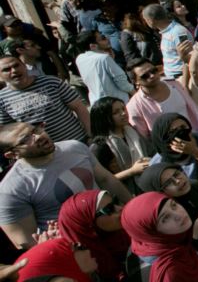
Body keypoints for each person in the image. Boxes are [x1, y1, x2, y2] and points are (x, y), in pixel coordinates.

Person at [0, 122, 131, 249]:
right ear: (12, 154)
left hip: (116, 228)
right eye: (26, 139)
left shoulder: (74, 147)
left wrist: (132, 207)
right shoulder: (11, 189)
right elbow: (26, 241)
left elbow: (106, 179)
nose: (38, 136)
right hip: (78, 250)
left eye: (35, 130)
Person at [120, 192, 198, 282]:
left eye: (174, 205)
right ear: (151, 232)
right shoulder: (170, 272)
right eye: (165, 218)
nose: (178, 215)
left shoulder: (168, 243)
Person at [0, 53, 88, 143]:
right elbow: (7, 130)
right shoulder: (2, 98)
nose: (14, 70)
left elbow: (79, 107)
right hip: (43, 151)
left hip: (77, 141)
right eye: (6, 70)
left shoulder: (51, 82)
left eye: (16, 65)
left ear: (24, 66)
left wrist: (90, 135)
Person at [126, 57, 198, 138]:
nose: (152, 75)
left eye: (154, 71)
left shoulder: (174, 84)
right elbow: (144, 138)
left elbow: (196, 112)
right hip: (170, 150)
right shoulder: (134, 106)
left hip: (197, 137)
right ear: (135, 82)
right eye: (145, 76)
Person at [57, 189, 131, 282]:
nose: (119, 208)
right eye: (109, 209)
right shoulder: (84, 268)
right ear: (89, 224)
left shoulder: (131, 233)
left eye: (115, 201)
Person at [89, 97, 151, 191]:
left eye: (123, 108)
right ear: (104, 117)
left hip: (147, 182)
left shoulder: (132, 131)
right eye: (116, 112)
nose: (123, 113)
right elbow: (102, 180)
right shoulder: (100, 146)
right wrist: (132, 171)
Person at [74, 29, 133, 104]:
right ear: (92, 46)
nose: (107, 39)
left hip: (96, 103)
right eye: (103, 38)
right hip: (116, 103)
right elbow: (122, 83)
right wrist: (137, 94)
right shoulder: (103, 58)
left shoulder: (79, 59)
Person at [142, 3, 193, 80]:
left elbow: (188, 59)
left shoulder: (178, 32)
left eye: (145, 20)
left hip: (182, 77)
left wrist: (185, 85)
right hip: (173, 77)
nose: (146, 22)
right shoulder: (166, 32)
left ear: (151, 20)